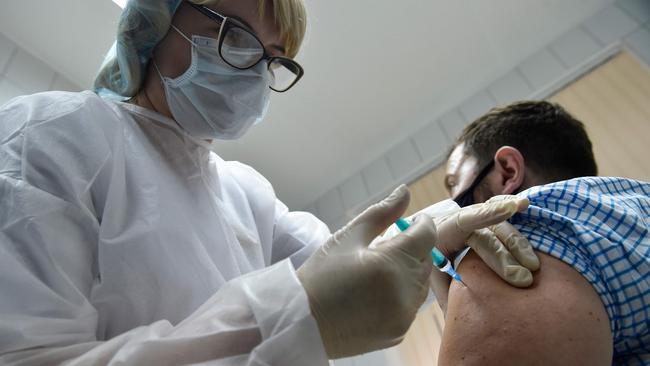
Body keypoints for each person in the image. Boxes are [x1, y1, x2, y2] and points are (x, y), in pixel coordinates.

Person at [0, 1, 539, 365]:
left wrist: (439, 227)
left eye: (273, 61)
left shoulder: (244, 192)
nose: (254, 72)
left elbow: (349, 258)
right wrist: (287, 318)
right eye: (235, 35)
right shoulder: (52, 134)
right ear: (156, 15)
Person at [430, 100, 650, 365]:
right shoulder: (633, 205)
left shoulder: (511, 233)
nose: (452, 201)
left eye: (454, 183)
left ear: (507, 172)